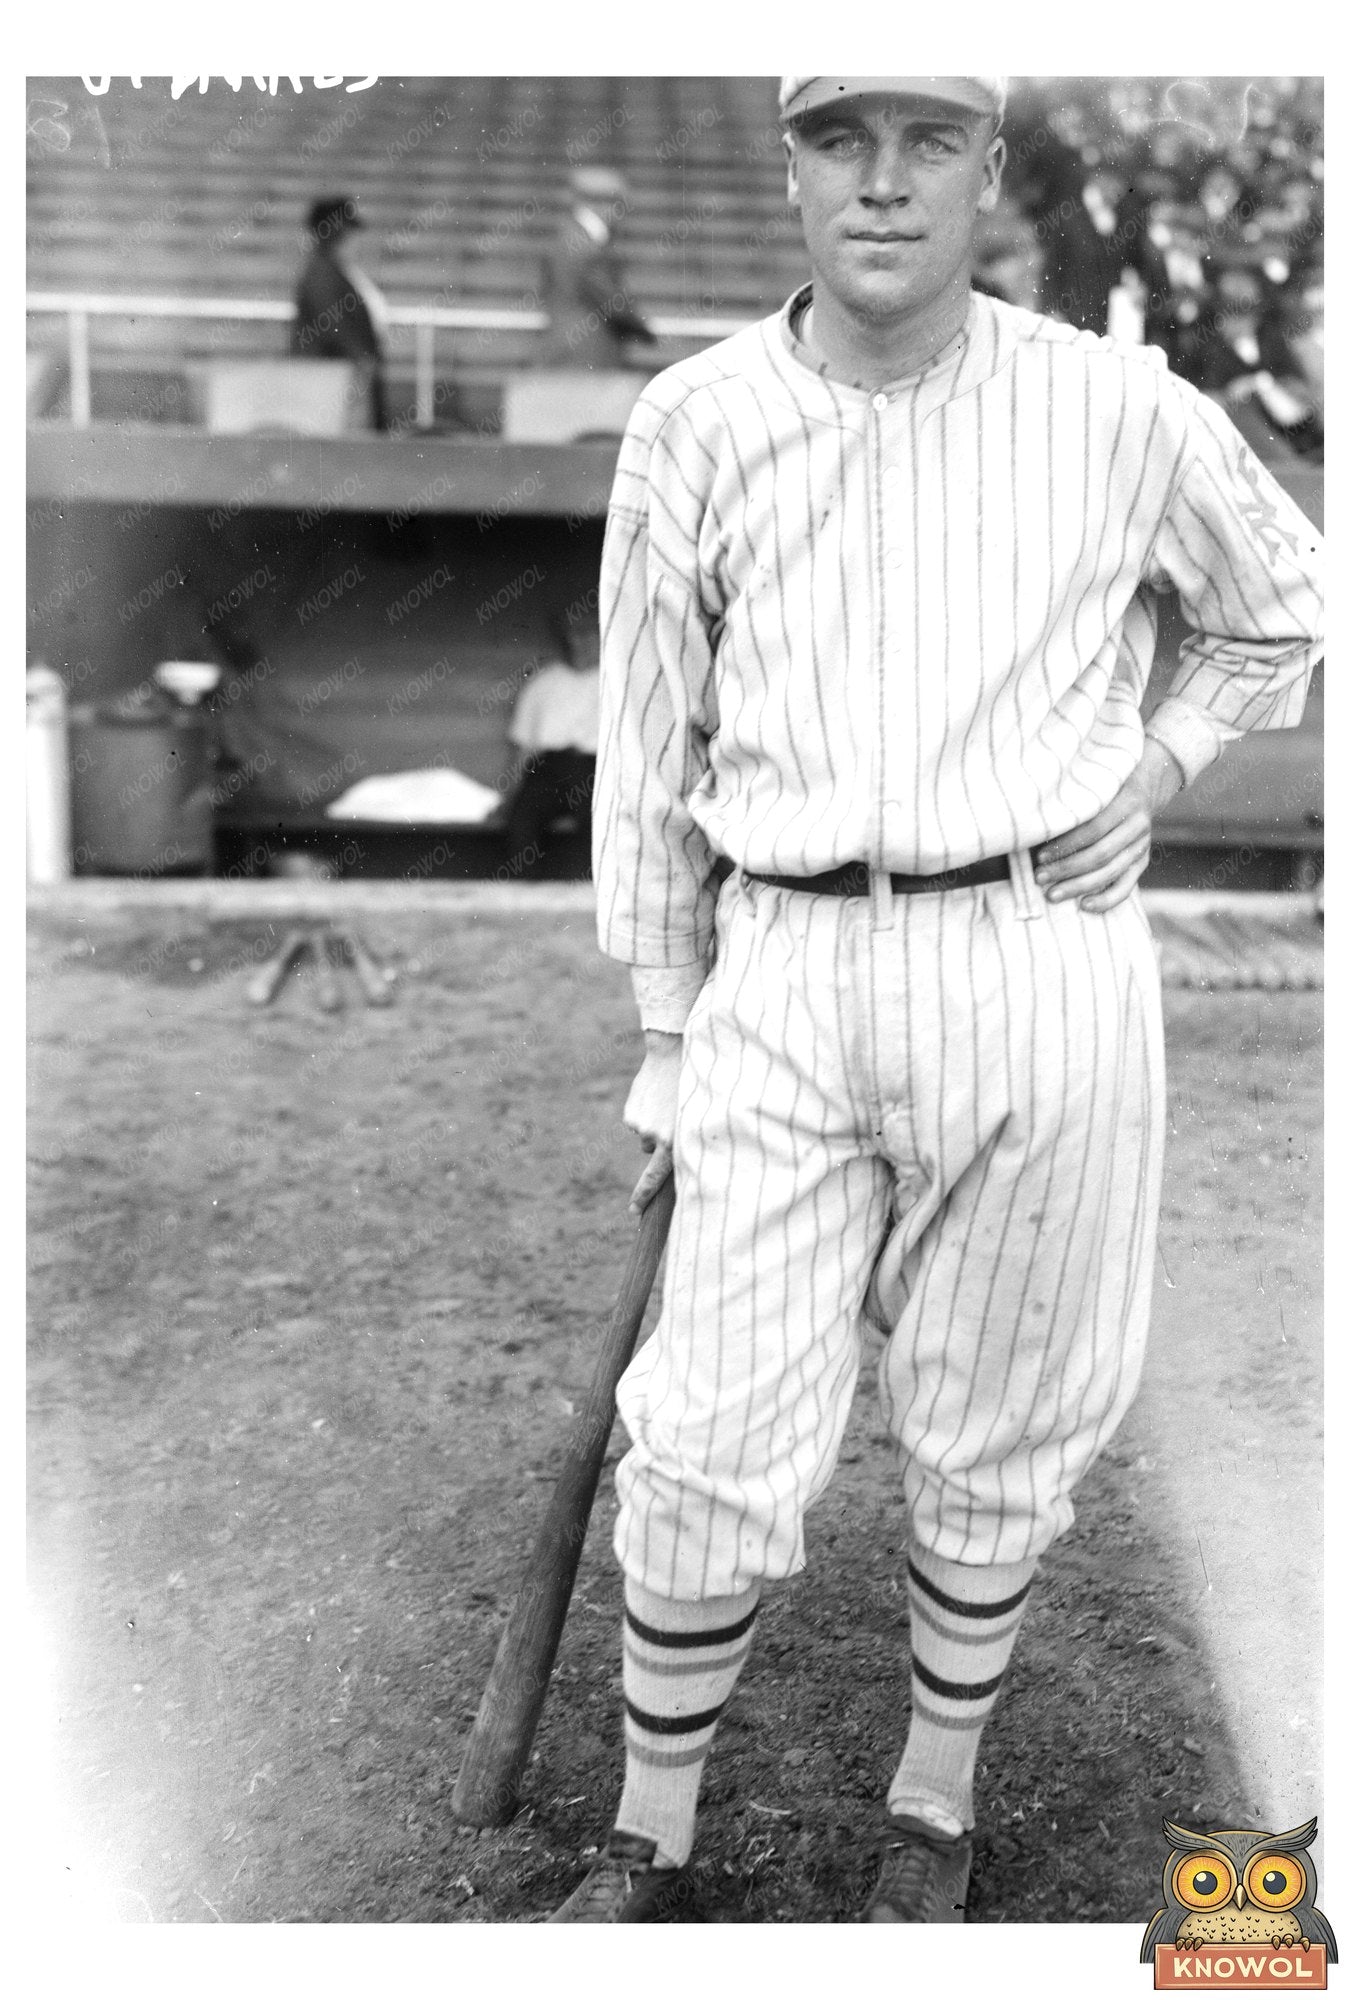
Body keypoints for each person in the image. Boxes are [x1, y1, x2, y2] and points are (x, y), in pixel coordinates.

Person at [546, 75, 1323, 1924]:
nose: (882, 182)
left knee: (1005, 1417)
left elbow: (1281, 599)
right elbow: (650, 751)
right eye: (840, 138)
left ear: (987, 168)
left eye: (927, 141)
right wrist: (665, 1024)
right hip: (786, 963)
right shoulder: (700, 418)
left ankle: (933, 1803)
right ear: (791, 163)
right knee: (716, 1417)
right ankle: (650, 1830)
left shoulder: (1118, 404)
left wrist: (1160, 766)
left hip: (1036, 959)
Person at [502, 606, 601, 878]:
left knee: (600, 821)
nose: (580, 641)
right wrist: (508, 795)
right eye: (574, 634)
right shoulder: (542, 683)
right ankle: (524, 900)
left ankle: (589, 898)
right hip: (548, 769)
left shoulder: (614, 681)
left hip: (596, 769)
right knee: (522, 819)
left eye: (589, 633)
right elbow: (523, 748)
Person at [537, 166, 658, 370]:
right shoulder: (586, 248)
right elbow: (613, 304)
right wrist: (647, 333)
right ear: (605, 205)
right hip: (588, 354)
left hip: (567, 351)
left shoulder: (567, 238)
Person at [291, 193, 388, 430]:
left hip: (338, 379)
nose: (356, 240)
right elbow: (335, 327)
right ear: (337, 234)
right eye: (350, 234)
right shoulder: (322, 274)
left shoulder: (334, 272)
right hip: (332, 382)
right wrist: (363, 359)